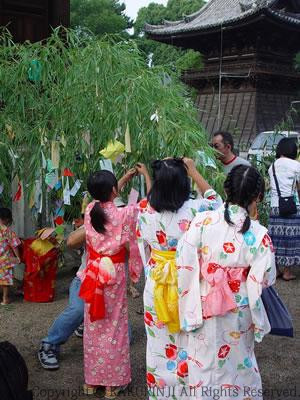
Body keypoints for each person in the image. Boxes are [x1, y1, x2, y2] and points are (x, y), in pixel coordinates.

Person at [175, 165, 276, 400]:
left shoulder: (202, 221)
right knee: (239, 363)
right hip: (239, 308)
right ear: (258, 197)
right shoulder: (258, 234)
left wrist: (188, 301)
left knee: (204, 362)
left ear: (225, 189)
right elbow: (266, 278)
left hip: (204, 300)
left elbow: (185, 261)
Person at [136, 157, 222, 399]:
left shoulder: (143, 210)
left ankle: (162, 393)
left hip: (158, 282)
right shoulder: (198, 209)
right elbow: (219, 204)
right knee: (192, 339)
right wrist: (194, 171)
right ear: (183, 183)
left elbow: (143, 245)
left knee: (159, 341)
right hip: (188, 281)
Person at [80, 165, 151, 398]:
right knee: (114, 324)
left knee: (94, 324)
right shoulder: (126, 213)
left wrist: (123, 178)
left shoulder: (91, 209)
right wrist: (147, 176)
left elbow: (105, 198)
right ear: (113, 190)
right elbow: (150, 204)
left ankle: (92, 381)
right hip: (114, 271)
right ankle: (112, 382)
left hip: (93, 271)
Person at [38, 227, 86, 370]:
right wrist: (95, 221)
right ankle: (49, 344)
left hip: (112, 286)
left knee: (125, 339)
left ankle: (85, 324)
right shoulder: (95, 213)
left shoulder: (127, 214)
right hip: (85, 279)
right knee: (79, 309)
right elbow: (70, 242)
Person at [268, 137, 300, 281]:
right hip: (292, 207)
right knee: (290, 239)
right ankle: (287, 272)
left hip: (275, 206)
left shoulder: (272, 166)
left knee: (275, 239)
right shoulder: (296, 165)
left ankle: (276, 271)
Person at [0, 207, 21, 305]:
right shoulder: (8, 232)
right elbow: (14, 245)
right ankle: (5, 299)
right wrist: (18, 257)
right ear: (7, 219)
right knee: (5, 280)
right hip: (5, 260)